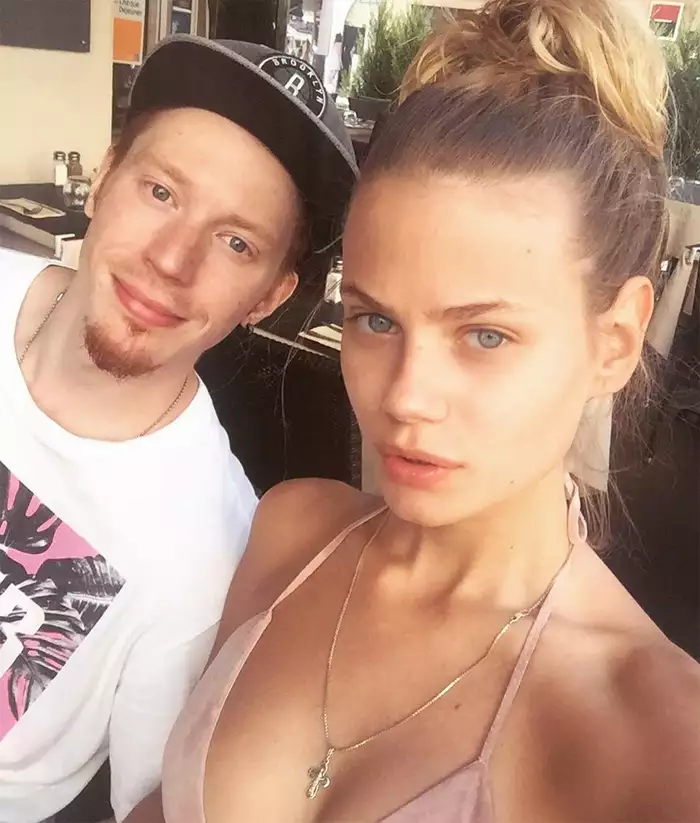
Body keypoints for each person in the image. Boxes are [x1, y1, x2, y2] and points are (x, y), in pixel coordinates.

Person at [126, 2, 700, 822]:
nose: (404, 396)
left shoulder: (659, 741)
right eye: (376, 320)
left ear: (614, 342)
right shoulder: (292, 533)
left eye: (485, 335)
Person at [0, 35, 356, 823]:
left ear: (268, 297)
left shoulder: (209, 552)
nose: (172, 259)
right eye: (161, 191)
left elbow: (145, 803)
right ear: (103, 178)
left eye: (236, 242)